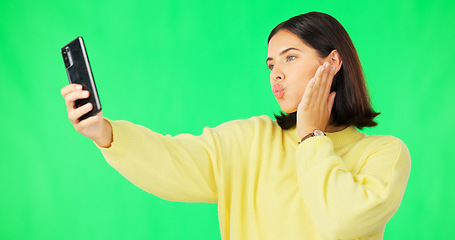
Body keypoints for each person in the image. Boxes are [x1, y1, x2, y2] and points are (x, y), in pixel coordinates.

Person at [61, 12, 411, 240]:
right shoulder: (252, 139)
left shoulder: (383, 154)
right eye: (271, 63)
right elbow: (173, 160)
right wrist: (105, 134)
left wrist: (311, 137)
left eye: (291, 57)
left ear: (333, 61)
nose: (277, 73)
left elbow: (342, 223)